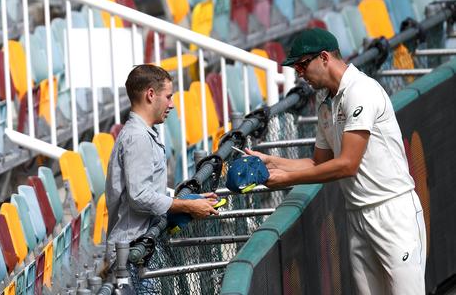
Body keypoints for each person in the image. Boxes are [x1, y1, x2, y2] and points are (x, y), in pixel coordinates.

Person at [246, 28, 426, 295]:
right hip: (356, 215)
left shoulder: (361, 90)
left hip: (393, 211)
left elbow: (347, 164)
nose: (299, 72)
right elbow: (319, 163)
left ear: (324, 57)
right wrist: (273, 162)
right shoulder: (325, 102)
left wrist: (287, 179)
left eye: (302, 64)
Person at [105, 64, 218, 291]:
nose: (172, 104)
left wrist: (187, 199)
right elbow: (139, 196)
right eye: (168, 97)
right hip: (131, 255)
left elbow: (146, 190)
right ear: (150, 94)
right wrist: (185, 205)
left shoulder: (143, 134)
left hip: (139, 250)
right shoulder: (137, 138)